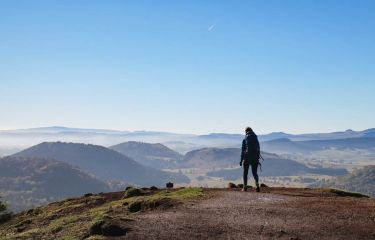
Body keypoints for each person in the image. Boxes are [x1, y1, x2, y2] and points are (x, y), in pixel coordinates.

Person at [240, 127, 260, 192]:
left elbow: (243, 150)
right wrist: (257, 157)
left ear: (246, 131)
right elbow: (258, 148)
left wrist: (241, 160)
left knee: (245, 172)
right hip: (255, 158)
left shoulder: (245, 138)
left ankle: (245, 187)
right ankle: (257, 186)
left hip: (247, 158)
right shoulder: (255, 138)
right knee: (255, 173)